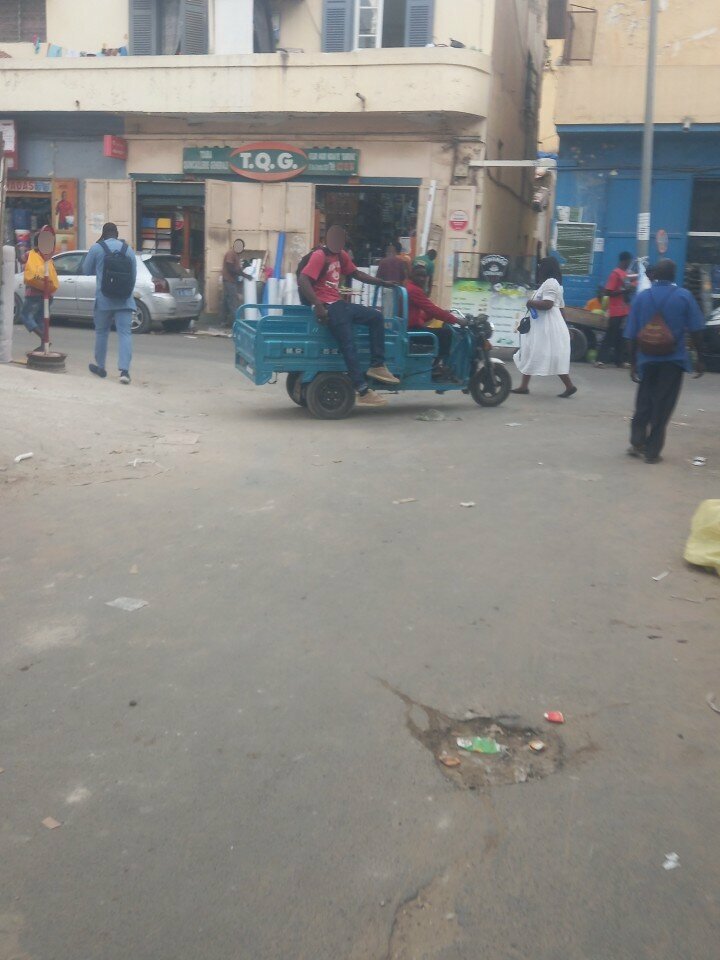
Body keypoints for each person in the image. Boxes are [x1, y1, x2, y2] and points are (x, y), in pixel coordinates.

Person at [298, 225, 401, 407]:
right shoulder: (319, 256)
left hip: (338, 303)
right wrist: (318, 304)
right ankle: (362, 390)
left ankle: (377, 366)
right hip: (329, 306)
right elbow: (303, 280)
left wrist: (382, 282)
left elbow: (357, 273)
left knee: (376, 318)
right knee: (348, 344)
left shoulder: (340, 255)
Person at [624, 258, 705, 464]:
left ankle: (637, 441)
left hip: (646, 359)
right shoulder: (684, 296)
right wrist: (699, 358)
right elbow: (696, 330)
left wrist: (633, 363)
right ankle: (652, 452)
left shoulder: (642, 298)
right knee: (663, 405)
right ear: (673, 275)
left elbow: (631, 334)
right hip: (673, 360)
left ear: (655, 275)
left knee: (644, 401)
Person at [512, 256, 577, 398]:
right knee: (531, 350)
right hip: (545, 325)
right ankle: (524, 386)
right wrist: (566, 327)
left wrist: (531, 303)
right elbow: (561, 308)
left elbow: (548, 304)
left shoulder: (550, 283)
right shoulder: (554, 284)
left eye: (541, 267)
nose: (539, 269)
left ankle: (569, 385)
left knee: (546, 353)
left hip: (547, 327)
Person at [82, 222, 137, 385]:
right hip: (125, 299)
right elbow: (133, 277)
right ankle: (124, 372)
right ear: (117, 234)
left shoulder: (97, 248)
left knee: (101, 332)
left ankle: (100, 367)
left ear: (103, 234)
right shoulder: (128, 250)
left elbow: (86, 270)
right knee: (125, 334)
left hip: (104, 299)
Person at [406, 262, 464, 376]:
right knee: (446, 333)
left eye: (424, 276)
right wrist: (456, 320)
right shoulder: (414, 290)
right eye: (418, 275)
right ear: (412, 276)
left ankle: (436, 364)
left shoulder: (409, 287)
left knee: (443, 329)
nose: (422, 279)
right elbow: (432, 309)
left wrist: (441, 314)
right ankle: (437, 366)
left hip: (411, 327)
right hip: (412, 330)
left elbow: (424, 313)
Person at [596, 251, 634, 368]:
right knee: (610, 335)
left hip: (624, 310)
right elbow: (608, 292)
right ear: (624, 261)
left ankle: (619, 361)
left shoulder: (626, 274)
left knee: (620, 336)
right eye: (628, 261)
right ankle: (600, 360)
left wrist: (630, 290)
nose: (629, 264)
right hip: (615, 311)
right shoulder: (615, 274)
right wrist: (623, 291)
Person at [21, 234, 59, 348]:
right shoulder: (49, 256)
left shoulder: (30, 254)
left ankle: (44, 338)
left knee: (25, 316)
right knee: (41, 319)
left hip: (33, 293)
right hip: (48, 293)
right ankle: (44, 346)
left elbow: (20, 258)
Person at [222, 240, 252, 327]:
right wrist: (245, 275)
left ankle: (225, 321)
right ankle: (237, 322)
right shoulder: (231, 253)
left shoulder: (235, 254)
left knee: (227, 301)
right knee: (233, 301)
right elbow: (230, 267)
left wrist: (241, 276)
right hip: (229, 280)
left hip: (231, 280)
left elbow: (236, 268)